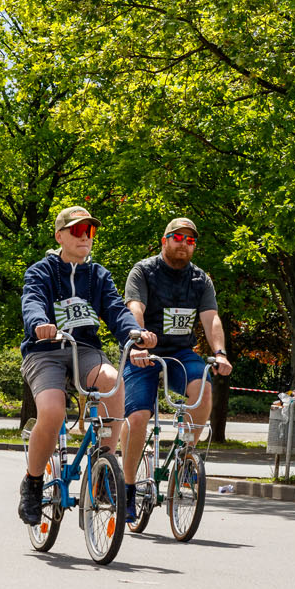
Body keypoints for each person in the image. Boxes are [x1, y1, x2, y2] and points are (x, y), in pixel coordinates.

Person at [17, 206, 155, 525]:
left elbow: (116, 310)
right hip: (45, 350)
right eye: (77, 231)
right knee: (52, 412)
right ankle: (33, 482)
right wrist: (40, 322)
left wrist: (133, 332)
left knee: (113, 382)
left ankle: (102, 470)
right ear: (60, 236)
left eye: (89, 232)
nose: (84, 237)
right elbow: (33, 300)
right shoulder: (42, 271)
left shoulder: (98, 275)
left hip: (85, 350)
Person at [119, 216, 233, 521]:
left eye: (190, 240)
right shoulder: (144, 271)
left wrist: (220, 353)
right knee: (138, 417)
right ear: (164, 241)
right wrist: (140, 344)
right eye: (178, 238)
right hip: (144, 351)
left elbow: (210, 319)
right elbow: (135, 308)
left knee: (203, 389)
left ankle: (185, 458)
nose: (184, 244)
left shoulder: (200, 280)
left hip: (181, 351)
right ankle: (128, 489)